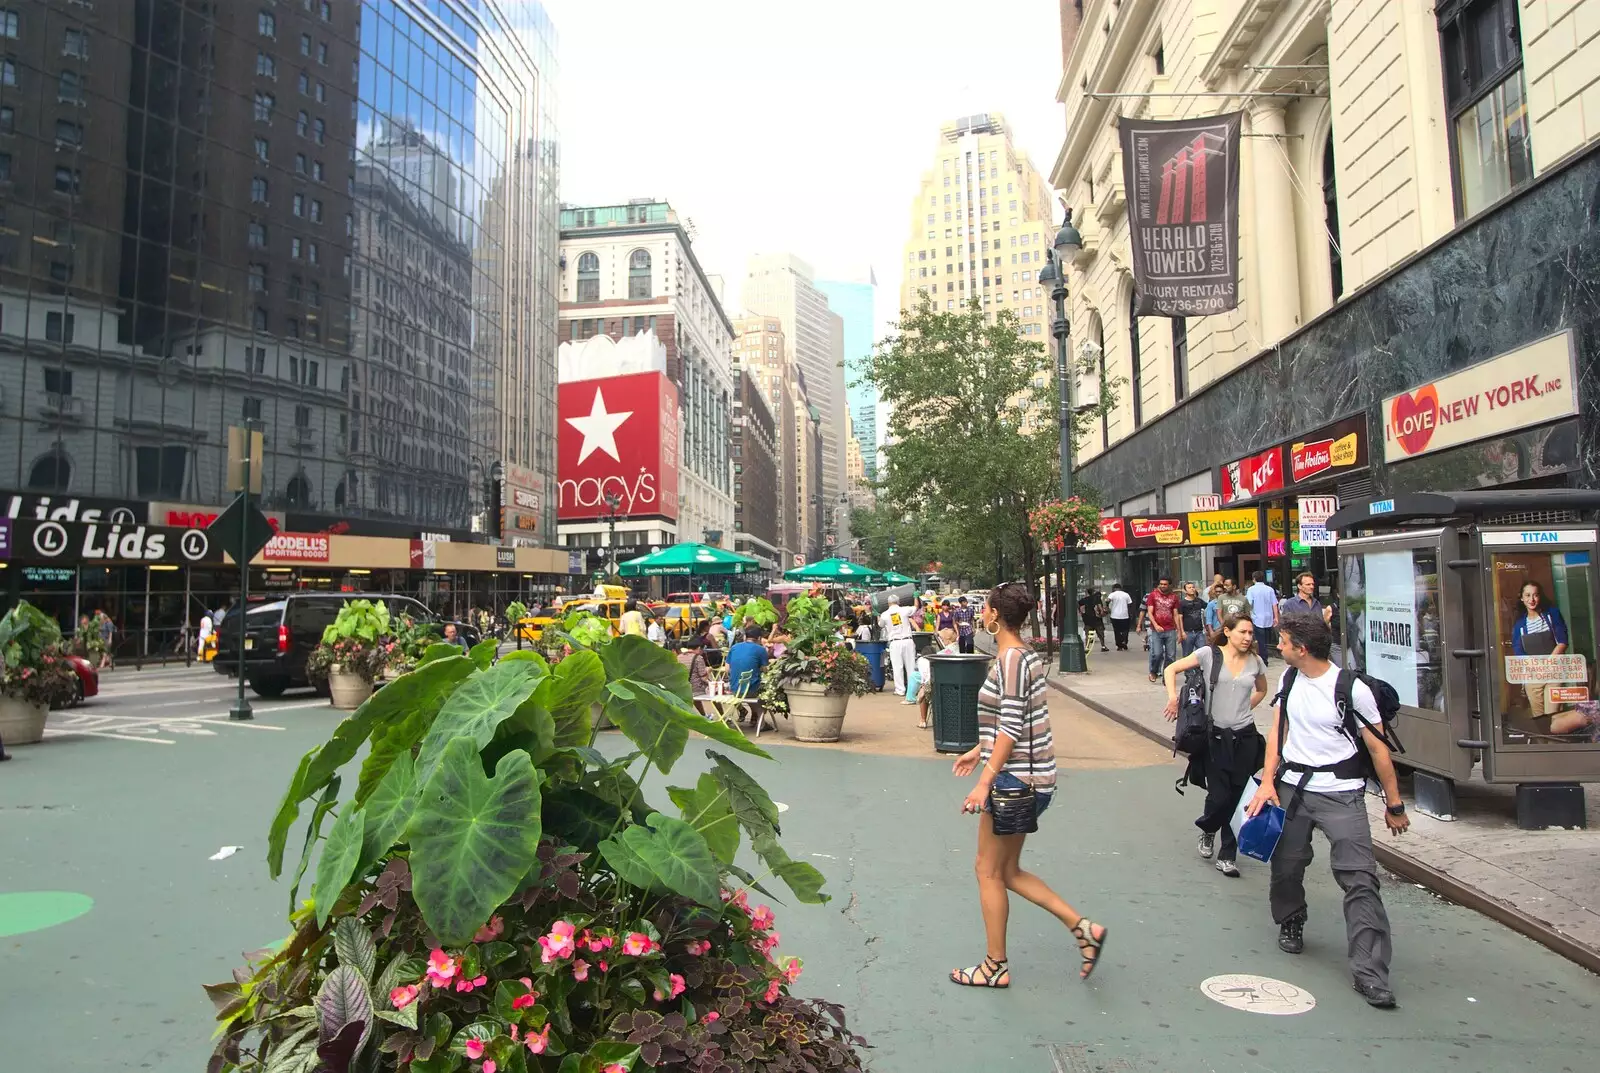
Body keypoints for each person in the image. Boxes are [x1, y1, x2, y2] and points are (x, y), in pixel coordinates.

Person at [1246, 613, 1409, 1009]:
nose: (1278, 647)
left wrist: (1394, 803)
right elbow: (1277, 734)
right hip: (1292, 789)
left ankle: (1369, 973)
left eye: (1283, 642)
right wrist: (1268, 783)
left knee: (1360, 879)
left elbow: (1378, 749)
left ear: (1302, 649)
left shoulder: (1350, 688)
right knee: (1286, 865)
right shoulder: (1288, 679)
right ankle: (1291, 918)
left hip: (1341, 794)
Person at [949, 581, 1107, 988]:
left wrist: (985, 781)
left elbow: (1013, 726)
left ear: (995, 617)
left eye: (984, 608)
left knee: (987, 870)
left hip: (1016, 779)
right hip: (1025, 775)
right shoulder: (1020, 656)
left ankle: (995, 965)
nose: (980, 614)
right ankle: (1082, 928)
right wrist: (977, 750)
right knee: (1008, 871)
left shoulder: (1013, 660)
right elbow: (1010, 720)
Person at [1161, 614, 1268, 877]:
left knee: (1239, 796)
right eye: (1243, 632)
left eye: (1251, 633)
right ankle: (1208, 829)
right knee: (1220, 796)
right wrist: (1173, 698)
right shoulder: (1210, 654)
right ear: (1228, 632)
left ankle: (1228, 855)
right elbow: (1171, 669)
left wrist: (1244, 708)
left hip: (1245, 737)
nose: (1248, 638)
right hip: (1215, 738)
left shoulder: (1255, 662)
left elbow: (1262, 690)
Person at [1510, 581, 1592, 733]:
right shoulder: (1519, 625)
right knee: (1538, 719)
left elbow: (1562, 641)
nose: (1532, 599)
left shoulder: (1552, 614)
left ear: (1540, 596)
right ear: (1522, 598)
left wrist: (1548, 662)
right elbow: (1518, 651)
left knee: (1553, 717)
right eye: (1527, 595)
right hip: (1533, 676)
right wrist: (1534, 664)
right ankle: (1544, 750)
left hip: (1553, 672)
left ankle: (1555, 749)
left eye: (1535, 595)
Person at [1135, 577, 1180, 683]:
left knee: (1171, 656)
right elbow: (1149, 612)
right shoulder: (1152, 596)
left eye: (1165, 584)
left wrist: (1179, 629)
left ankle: (1167, 677)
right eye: (1161, 584)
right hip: (1156, 630)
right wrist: (1155, 625)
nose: (1163, 586)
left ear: (1169, 585)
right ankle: (1154, 671)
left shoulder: (1174, 597)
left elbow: (1175, 614)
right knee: (1157, 653)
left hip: (1170, 629)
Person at [914, 627, 960, 729]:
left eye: (942, 639)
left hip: (943, 684)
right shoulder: (961, 649)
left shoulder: (941, 654)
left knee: (924, 689)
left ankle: (923, 720)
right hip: (958, 682)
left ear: (946, 640)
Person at [879, 594, 917, 696]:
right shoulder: (905, 610)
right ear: (899, 602)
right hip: (907, 640)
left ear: (888, 603)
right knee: (911, 666)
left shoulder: (885, 614)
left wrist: (877, 613)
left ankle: (900, 690)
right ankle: (913, 690)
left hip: (895, 642)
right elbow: (916, 607)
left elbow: (880, 624)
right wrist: (915, 597)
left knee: (897, 667)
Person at [725, 624, 770, 699]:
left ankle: (742, 709)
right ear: (759, 638)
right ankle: (757, 710)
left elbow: (727, 669)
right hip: (752, 690)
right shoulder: (761, 649)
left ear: (745, 636)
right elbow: (766, 670)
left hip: (734, 690)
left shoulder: (734, 647)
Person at [1245, 572, 1279, 664]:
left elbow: (1249, 604)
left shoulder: (1251, 589)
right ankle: (1264, 657)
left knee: (1260, 640)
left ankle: (1263, 659)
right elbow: (1274, 604)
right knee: (1265, 640)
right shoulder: (1269, 589)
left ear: (1254, 579)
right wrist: (1276, 617)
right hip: (1268, 618)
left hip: (1257, 618)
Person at [678, 635, 712, 714]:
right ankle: (723, 716)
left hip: (683, 688)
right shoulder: (698, 658)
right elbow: (704, 678)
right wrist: (708, 670)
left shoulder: (679, 657)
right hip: (696, 689)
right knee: (715, 691)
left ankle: (703, 715)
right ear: (699, 648)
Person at [1177, 581, 1207, 657]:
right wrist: (1181, 632)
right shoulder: (1181, 603)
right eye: (1189, 588)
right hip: (1187, 632)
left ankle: (1198, 669)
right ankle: (1188, 669)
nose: (1192, 589)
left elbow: (1208, 608)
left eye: (1193, 587)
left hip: (1199, 632)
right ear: (1185, 590)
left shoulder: (1199, 601)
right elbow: (1179, 618)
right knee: (1187, 655)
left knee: (1202, 652)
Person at [1105, 582, 1134, 651]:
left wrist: (1106, 607)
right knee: (1125, 630)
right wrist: (1131, 613)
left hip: (1114, 616)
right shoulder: (1126, 594)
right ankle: (1124, 641)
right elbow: (1130, 604)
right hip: (1125, 615)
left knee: (1117, 631)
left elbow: (1107, 601)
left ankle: (1119, 645)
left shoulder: (1112, 594)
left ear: (1114, 588)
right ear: (1120, 588)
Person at [1078, 588, 1107, 653]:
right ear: (1093, 592)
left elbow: (1080, 606)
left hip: (1087, 619)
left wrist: (1082, 613)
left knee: (1088, 634)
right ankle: (1103, 646)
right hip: (1097, 619)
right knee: (1100, 633)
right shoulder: (1097, 598)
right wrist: (1102, 612)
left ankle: (1087, 647)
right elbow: (1100, 607)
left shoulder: (1084, 600)